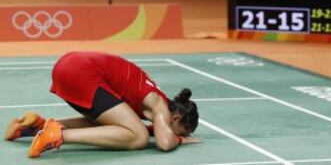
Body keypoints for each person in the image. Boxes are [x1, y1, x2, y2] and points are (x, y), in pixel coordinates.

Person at [4, 51, 201, 158]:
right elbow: (165, 143)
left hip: (69, 65)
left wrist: (155, 130)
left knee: (120, 126)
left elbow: (115, 120)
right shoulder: (160, 107)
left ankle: (35, 127)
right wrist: (179, 140)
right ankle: (59, 135)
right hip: (82, 72)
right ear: (175, 118)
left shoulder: (154, 99)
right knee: (138, 137)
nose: (173, 134)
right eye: (179, 131)